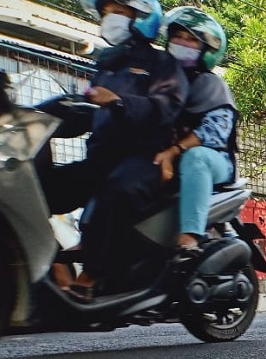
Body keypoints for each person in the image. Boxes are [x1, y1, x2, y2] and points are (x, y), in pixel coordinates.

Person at [43, 0, 188, 299]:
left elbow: (165, 107)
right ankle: (53, 266)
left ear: (142, 18)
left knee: (115, 190)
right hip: (101, 159)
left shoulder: (162, 64)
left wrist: (119, 102)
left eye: (119, 11)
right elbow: (87, 109)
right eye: (107, 11)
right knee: (41, 191)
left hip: (145, 158)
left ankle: (93, 274)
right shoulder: (108, 65)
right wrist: (45, 116)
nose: (111, 17)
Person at [153, 7, 238, 253]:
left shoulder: (211, 84)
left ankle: (190, 236)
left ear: (205, 49)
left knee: (196, 157)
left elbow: (213, 132)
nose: (183, 43)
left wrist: (174, 150)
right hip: (166, 161)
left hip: (214, 162)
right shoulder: (160, 81)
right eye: (178, 36)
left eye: (191, 39)